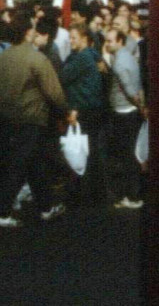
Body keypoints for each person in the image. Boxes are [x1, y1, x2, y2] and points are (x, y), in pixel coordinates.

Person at [0, 17, 69, 228]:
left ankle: (47, 207)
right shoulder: (37, 59)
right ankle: (3, 211)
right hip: (32, 118)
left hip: (6, 119)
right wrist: (64, 113)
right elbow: (54, 92)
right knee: (21, 165)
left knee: (34, 163)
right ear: (26, 33)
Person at [58, 24, 108, 207]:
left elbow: (62, 77)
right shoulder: (92, 56)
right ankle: (95, 194)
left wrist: (74, 108)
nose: (71, 41)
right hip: (92, 110)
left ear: (85, 39)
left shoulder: (82, 58)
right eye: (70, 37)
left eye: (74, 38)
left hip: (83, 110)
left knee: (79, 151)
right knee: (91, 151)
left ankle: (81, 195)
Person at [103, 28, 144, 210]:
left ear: (120, 41)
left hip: (124, 112)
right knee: (131, 154)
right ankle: (132, 194)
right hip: (131, 111)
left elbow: (129, 90)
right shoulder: (127, 56)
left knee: (128, 156)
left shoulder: (119, 63)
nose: (107, 43)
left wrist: (140, 106)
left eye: (110, 41)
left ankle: (132, 196)